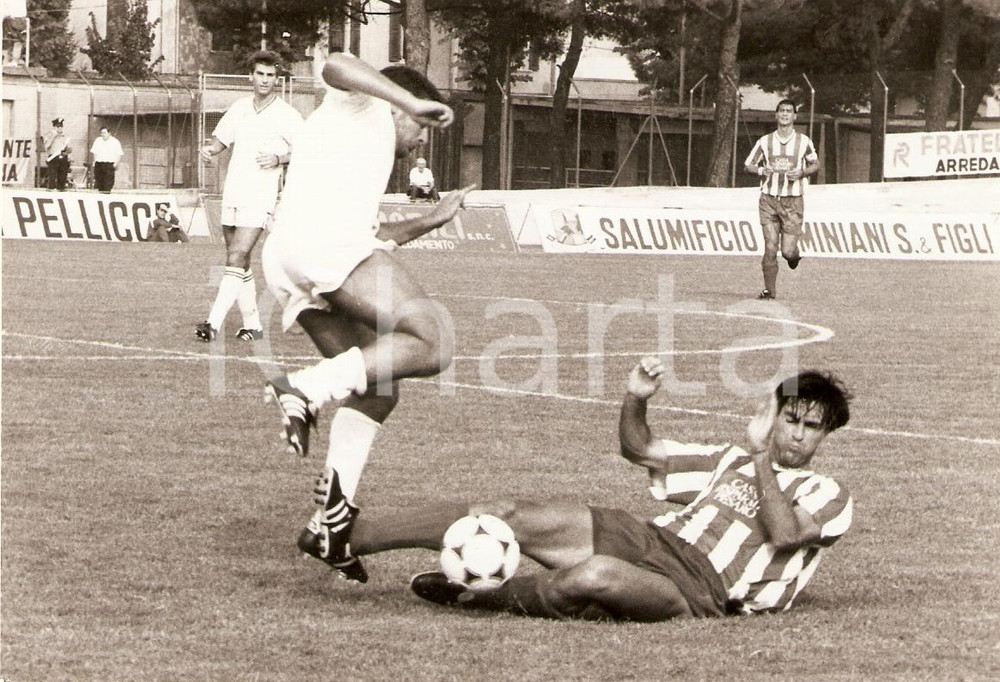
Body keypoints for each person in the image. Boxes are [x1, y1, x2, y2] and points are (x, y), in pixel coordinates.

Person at [342, 358, 854, 621]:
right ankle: (350, 536)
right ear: (777, 415)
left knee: (595, 576)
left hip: (700, 591)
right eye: (791, 419)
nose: (796, 434)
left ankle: (473, 598)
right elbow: (640, 449)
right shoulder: (729, 460)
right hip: (650, 539)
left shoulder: (828, 493)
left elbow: (785, 536)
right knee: (509, 512)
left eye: (811, 427)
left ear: (826, 435)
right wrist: (635, 399)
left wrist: (762, 455)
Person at [261, 52, 473, 583]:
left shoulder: (358, 151)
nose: (422, 138)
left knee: (377, 387)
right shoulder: (365, 105)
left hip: (292, 257)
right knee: (435, 341)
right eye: (421, 128)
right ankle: (304, 388)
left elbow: (378, 241)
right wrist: (408, 99)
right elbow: (337, 63)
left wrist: (434, 218)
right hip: (323, 247)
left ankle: (329, 526)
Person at [196, 50, 303, 343]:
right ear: (251, 77)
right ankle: (252, 324)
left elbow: (308, 152)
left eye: (270, 75)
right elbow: (220, 143)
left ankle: (213, 322)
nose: (265, 80)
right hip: (234, 190)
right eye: (260, 74)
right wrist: (209, 151)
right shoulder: (239, 107)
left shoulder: (288, 115)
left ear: (277, 79)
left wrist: (280, 157)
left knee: (237, 254)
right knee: (238, 261)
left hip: (261, 195)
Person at [743, 99, 820, 300]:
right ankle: (770, 290)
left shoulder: (803, 141)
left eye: (789, 111)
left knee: (786, 251)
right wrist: (761, 169)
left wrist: (802, 172)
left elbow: (815, 164)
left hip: (793, 202)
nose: (785, 114)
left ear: (795, 116)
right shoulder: (764, 142)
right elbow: (748, 165)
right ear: (776, 115)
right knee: (770, 246)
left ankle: (794, 256)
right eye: (782, 111)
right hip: (768, 199)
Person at [89, 126, 125, 193]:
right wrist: (95, 162)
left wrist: (115, 164)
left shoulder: (115, 142)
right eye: (101, 133)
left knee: (108, 184)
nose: (103, 134)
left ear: (109, 133)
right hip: (99, 164)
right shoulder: (98, 140)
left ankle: (106, 196)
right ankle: (101, 197)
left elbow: (119, 154)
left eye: (104, 133)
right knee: (99, 183)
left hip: (109, 165)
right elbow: (94, 152)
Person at [44, 118, 71, 191]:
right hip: (53, 158)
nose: (59, 128)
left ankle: (61, 190)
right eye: (57, 127)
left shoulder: (65, 136)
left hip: (63, 158)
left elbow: (69, 149)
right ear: (54, 127)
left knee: (62, 177)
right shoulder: (48, 135)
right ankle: (50, 190)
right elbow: (46, 147)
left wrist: (66, 153)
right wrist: (53, 136)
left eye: (61, 127)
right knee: (52, 177)